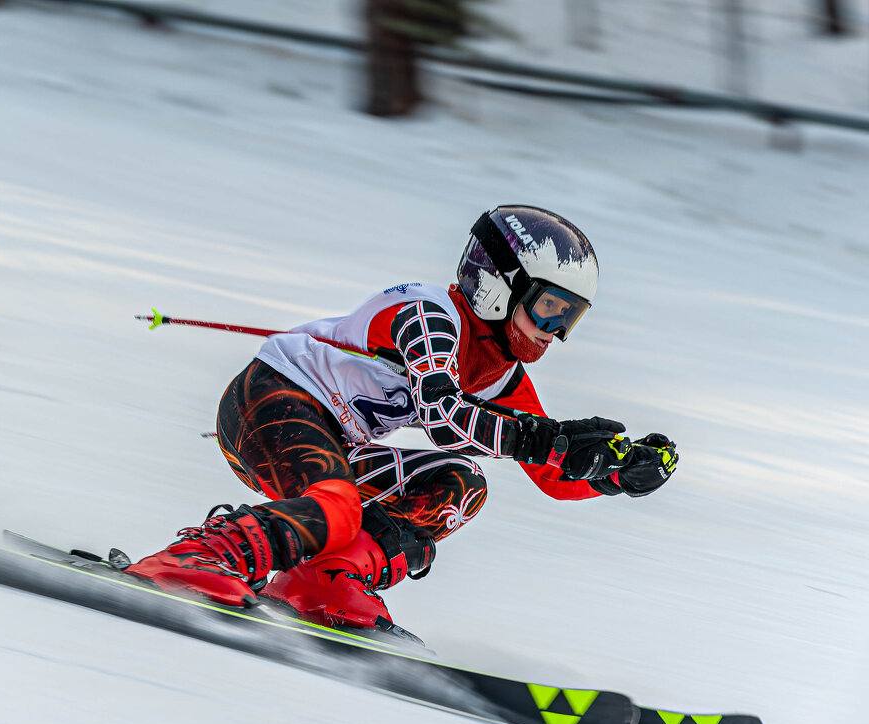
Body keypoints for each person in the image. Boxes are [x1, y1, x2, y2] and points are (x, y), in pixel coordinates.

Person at [127, 206, 678, 631]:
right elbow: (444, 415)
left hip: (338, 443)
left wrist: (613, 473)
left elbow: (553, 475)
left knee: (457, 485)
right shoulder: (426, 313)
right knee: (338, 503)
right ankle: (198, 557)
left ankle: (321, 582)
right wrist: (548, 441)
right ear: (501, 284)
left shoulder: (501, 375)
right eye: (549, 309)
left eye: (570, 319)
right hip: (270, 402)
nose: (554, 333)